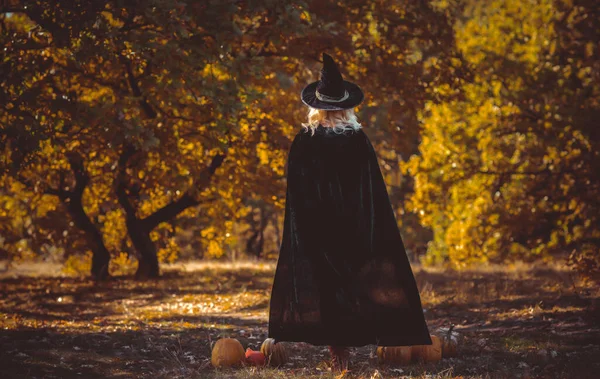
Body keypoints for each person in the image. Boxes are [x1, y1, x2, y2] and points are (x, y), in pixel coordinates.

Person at [267, 53, 433, 372]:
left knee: (329, 291)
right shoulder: (357, 141)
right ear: (347, 106)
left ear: (316, 107)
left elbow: (297, 198)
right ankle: (343, 354)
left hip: (317, 231)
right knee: (350, 288)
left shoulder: (304, 142)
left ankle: (339, 354)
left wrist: (304, 233)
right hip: (352, 229)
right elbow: (373, 195)